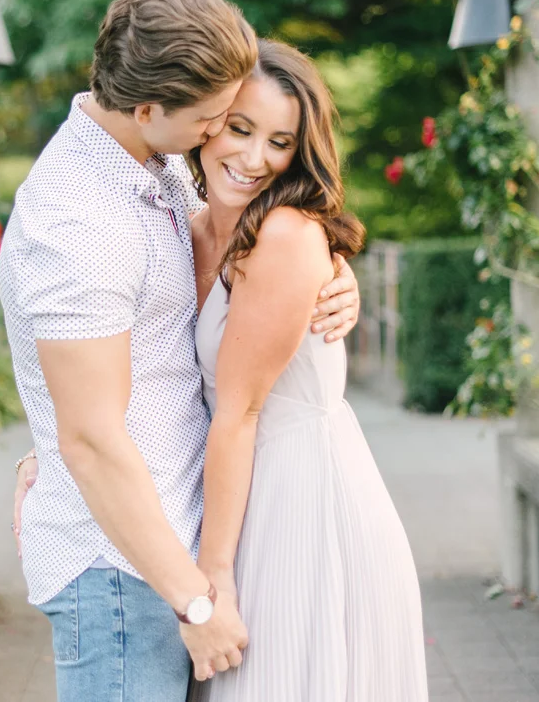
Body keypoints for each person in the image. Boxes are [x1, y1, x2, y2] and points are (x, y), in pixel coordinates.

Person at [0, 0, 362, 702]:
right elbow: (91, 439)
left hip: (166, 547)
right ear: (148, 108)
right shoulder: (79, 222)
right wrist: (194, 602)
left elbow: (228, 266)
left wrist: (327, 272)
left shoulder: (153, 162)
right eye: (213, 119)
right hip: (123, 571)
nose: (221, 132)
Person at [185, 39, 426, 699]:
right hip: (239, 492)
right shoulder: (189, 226)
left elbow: (239, 412)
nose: (253, 158)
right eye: (240, 128)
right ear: (207, 120)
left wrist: (212, 582)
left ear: (300, 152)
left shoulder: (285, 234)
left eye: (280, 142)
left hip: (300, 505)